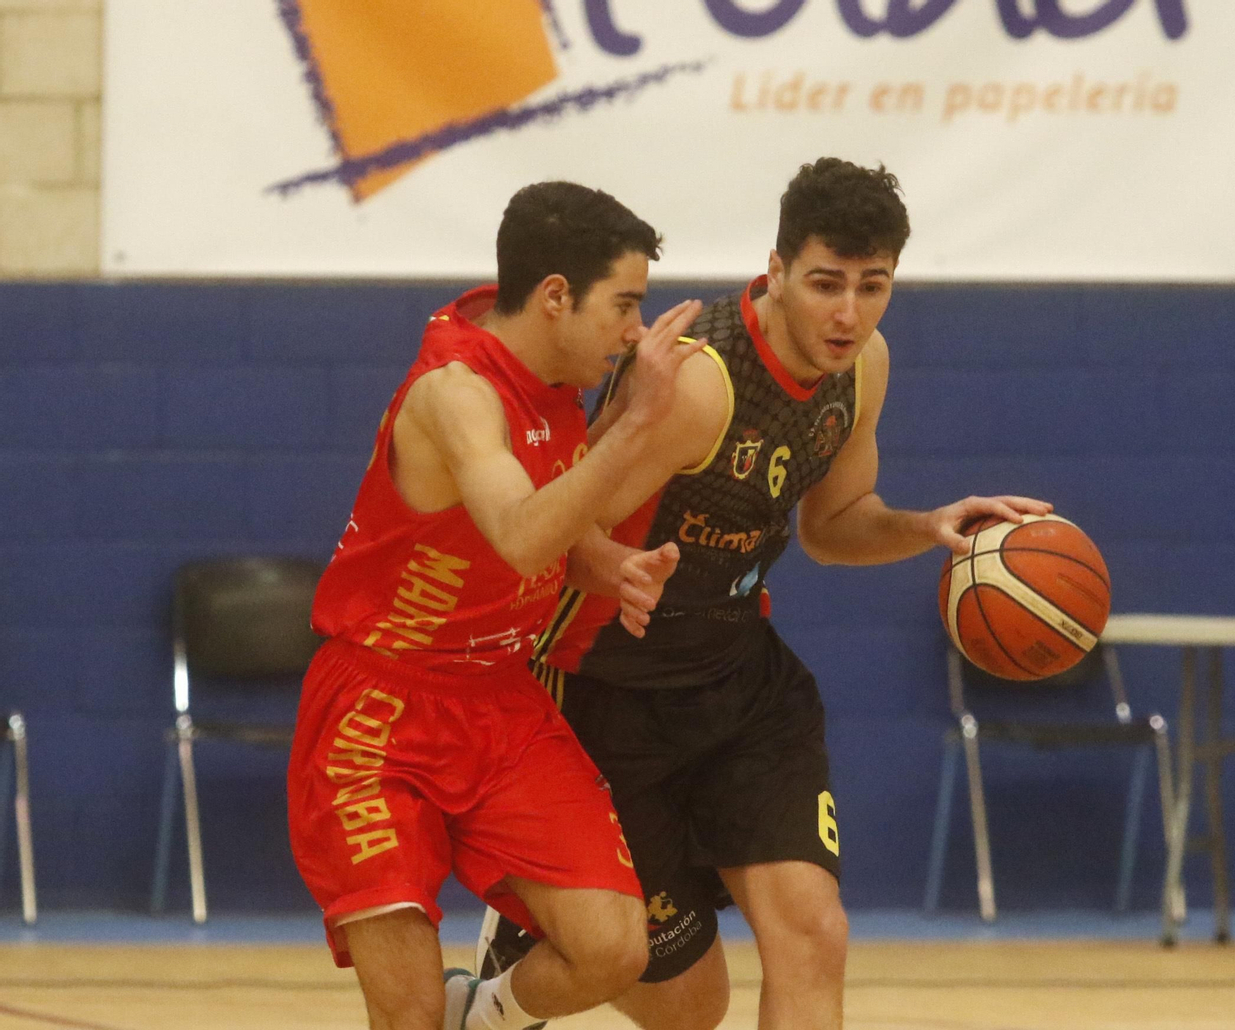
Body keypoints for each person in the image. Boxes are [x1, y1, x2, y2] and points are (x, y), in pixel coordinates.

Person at [474, 158, 1052, 1030]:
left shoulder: (863, 369)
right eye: (824, 284)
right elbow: (553, 518)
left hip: (741, 684)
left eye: (872, 286)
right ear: (776, 272)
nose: (847, 314)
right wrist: (609, 566)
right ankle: (524, 939)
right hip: (611, 692)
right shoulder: (698, 385)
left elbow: (833, 524)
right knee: (690, 1008)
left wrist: (928, 526)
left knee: (814, 934)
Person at [287, 180, 704, 1030]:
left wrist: (609, 564)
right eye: (624, 303)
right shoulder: (456, 393)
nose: (634, 329)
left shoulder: (551, 380)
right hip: (381, 706)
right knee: (406, 1020)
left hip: (499, 704)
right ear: (556, 296)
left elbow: (543, 529)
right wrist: (638, 424)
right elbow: (518, 533)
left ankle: (483, 1018)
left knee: (616, 948)